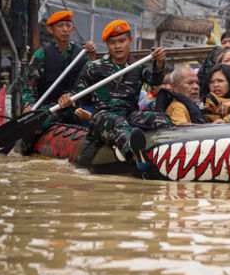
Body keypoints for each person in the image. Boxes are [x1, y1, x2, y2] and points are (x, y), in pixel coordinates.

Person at [58, 20, 171, 162]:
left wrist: (159, 63)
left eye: (121, 41)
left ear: (130, 41)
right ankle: (137, 157)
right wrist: (67, 98)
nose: (117, 46)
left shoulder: (139, 66)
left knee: (160, 119)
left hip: (130, 114)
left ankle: (168, 155)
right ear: (107, 45)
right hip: (103, 117)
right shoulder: (93, 67)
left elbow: (156, 82)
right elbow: (76, 94)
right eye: (112, 42)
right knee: (117, 122)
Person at [22, 10, 96, 114]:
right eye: (60, 26)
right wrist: (28, 106)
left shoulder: (82, 54)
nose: (65, 29)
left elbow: (92, 81)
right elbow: (28, 88)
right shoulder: (41, 55)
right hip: (49, 108)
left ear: (73, 29)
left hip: (75, 108)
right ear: (50, 29)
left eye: (68, 26)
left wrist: (92, 56)